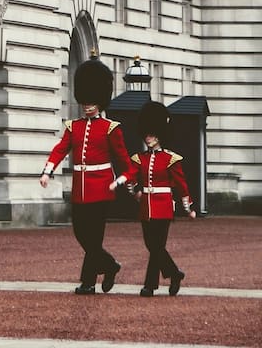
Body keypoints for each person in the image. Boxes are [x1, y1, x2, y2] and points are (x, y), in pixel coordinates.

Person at [40, 54, 131, 294]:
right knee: (81, 233)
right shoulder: (74, 127)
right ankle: (110, 265)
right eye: (85, 101)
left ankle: (89, 282)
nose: (87, 105)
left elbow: (124, 160)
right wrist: (48, 171)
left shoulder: (111, 128)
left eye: (92, 101)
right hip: (80, 189)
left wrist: (124, 180)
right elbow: (60, 149)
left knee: (94, 238)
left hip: (102, 189)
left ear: (100, 101)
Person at [110, 100, 196, 296]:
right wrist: (126, 185)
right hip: (146, 207)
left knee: (156, 246)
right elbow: (131, 174)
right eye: (147, 135)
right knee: (153, 246)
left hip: (164, 206)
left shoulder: (171, 159)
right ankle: (174, 273)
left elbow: (182, 186)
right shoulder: (140, 158)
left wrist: (188, 207)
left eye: (152, 135)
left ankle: (150, 285)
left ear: (160, 135)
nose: (148, 139)